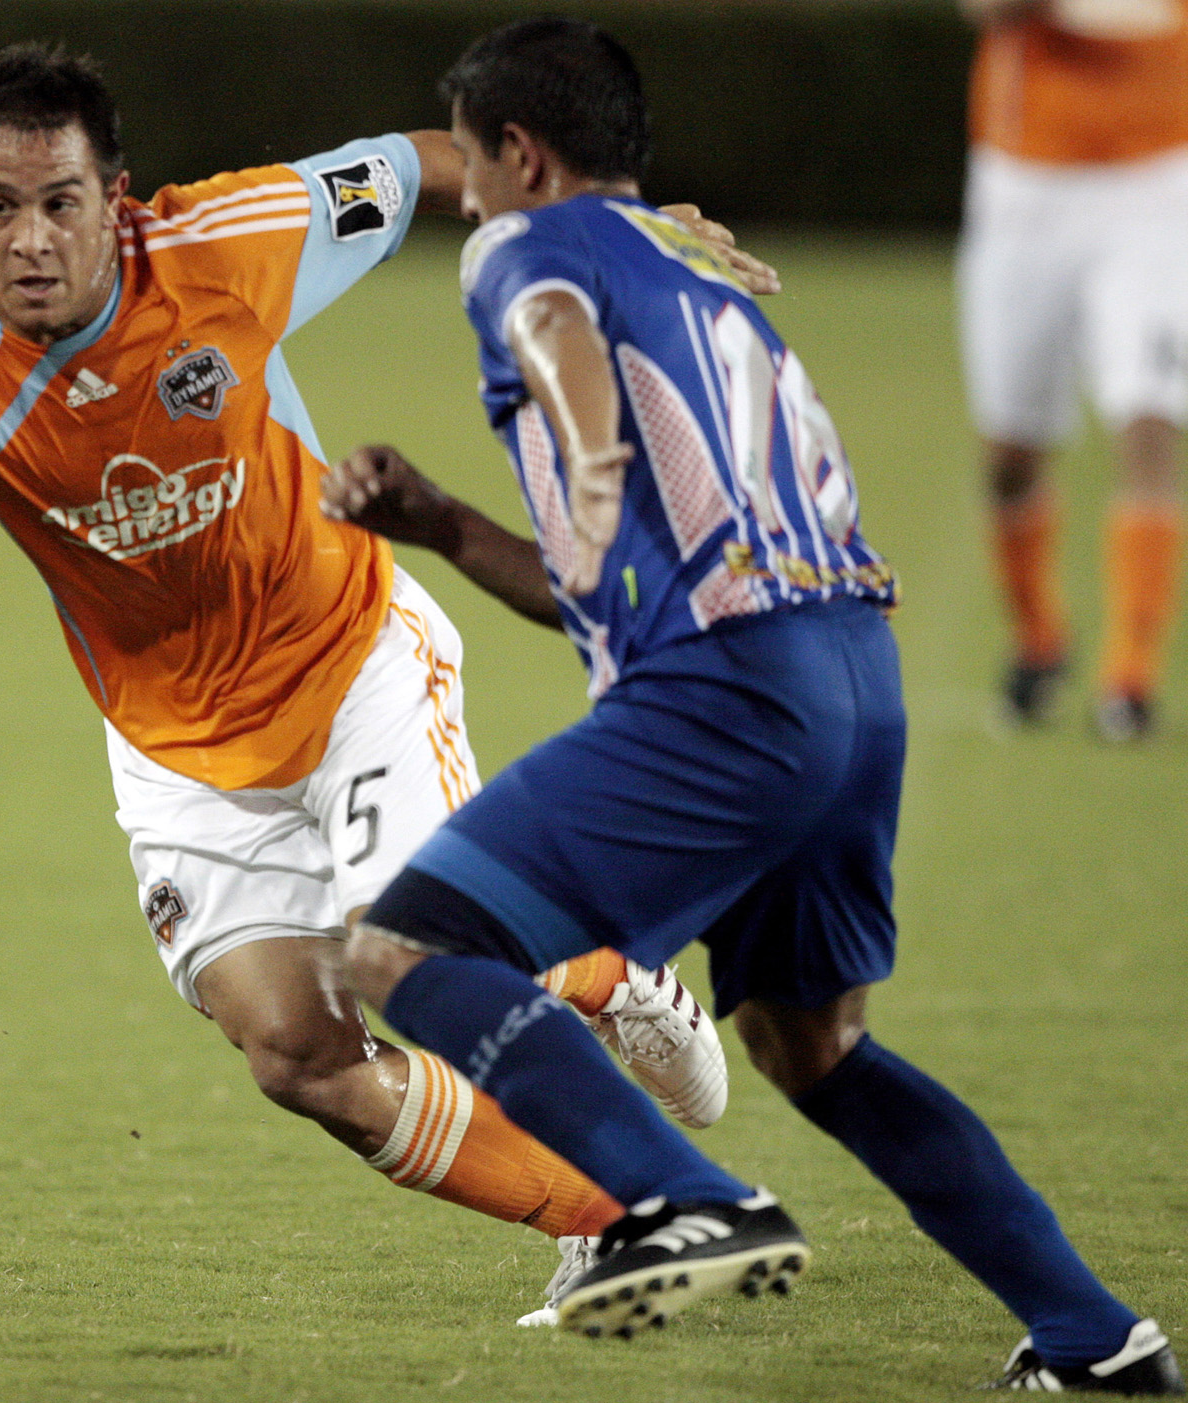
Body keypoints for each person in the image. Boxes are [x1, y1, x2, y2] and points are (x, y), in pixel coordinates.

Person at [0, 42, 756, 1317]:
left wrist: (604, 222)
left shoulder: (226, 241)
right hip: (175, 747)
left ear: (117, 196)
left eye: (59, 203)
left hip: (350, 659)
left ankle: (610, 977)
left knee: (427, 968)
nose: (29, 239)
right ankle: (600, 1220)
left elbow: (426, 161)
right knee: (297, 1052)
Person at [328, 18, 1183, 1391]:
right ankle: (1096, 1337)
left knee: (398, 956)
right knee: (814, 1041)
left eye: (472, 164)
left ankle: (678, 1196)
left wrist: (588, 442)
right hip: (855, 675)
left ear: (522, 153)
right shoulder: (696, 270)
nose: (466, 198)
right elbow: (589, 586)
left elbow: (551, 333)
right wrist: (432, 517)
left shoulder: (525, 250)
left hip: (731, 694)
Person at [958, 0, 1188, 738]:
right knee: (1010, 451)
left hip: (1156, 183)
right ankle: (1037, 637)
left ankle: (1128, 677)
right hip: (1025, 185)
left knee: (1149, 415)